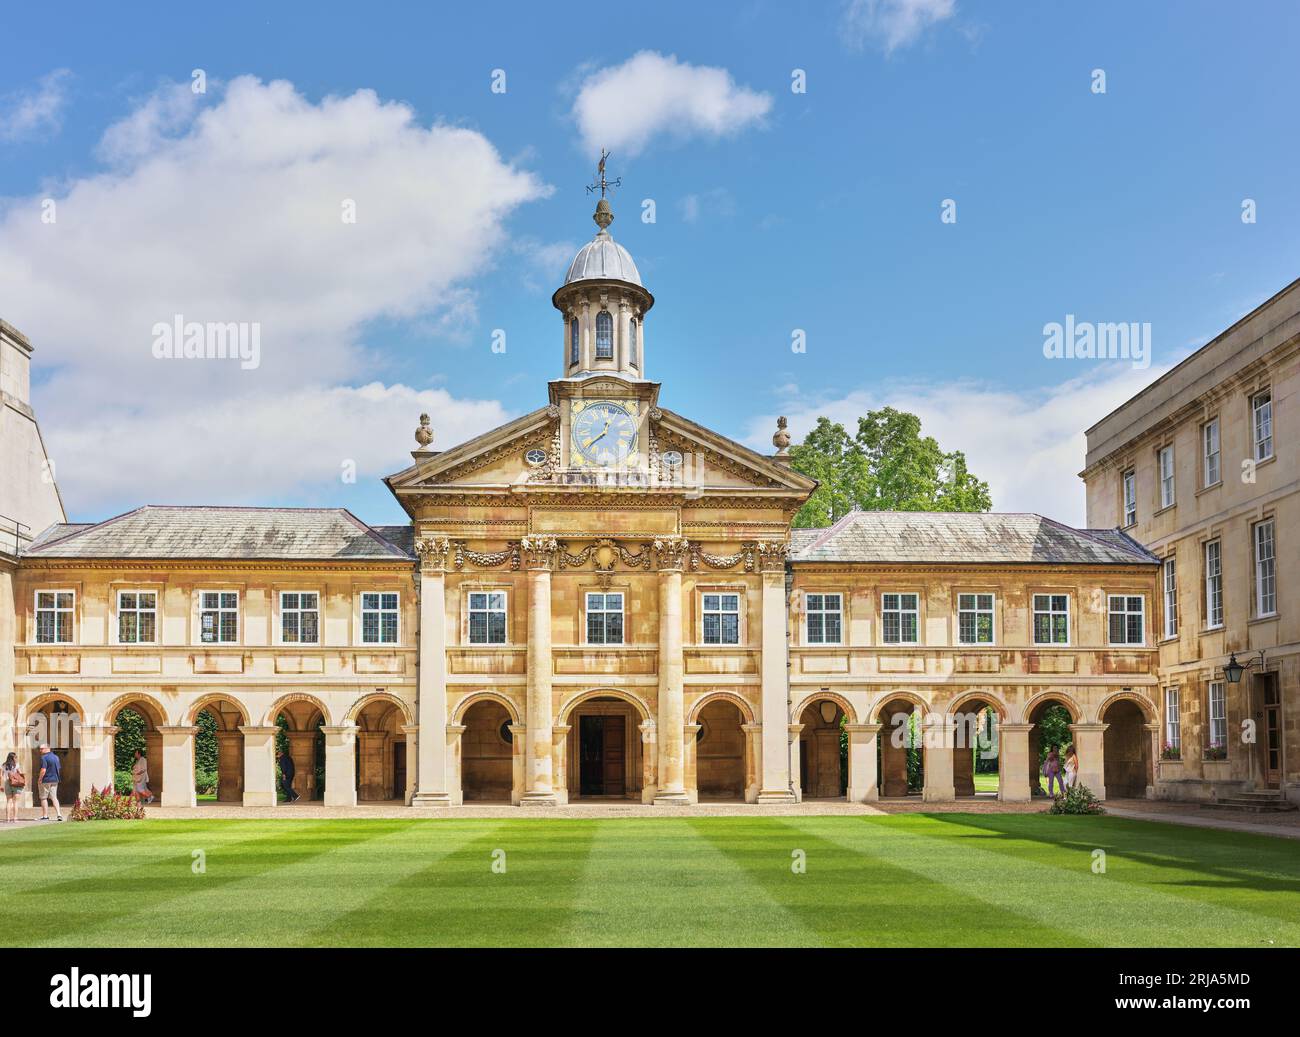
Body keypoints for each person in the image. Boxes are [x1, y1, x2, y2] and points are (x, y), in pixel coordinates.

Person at [37, 743, 64, 821]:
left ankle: (45, 816)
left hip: (45, 780)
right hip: (55, 779)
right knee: (54, 797)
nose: (40, 750)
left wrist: (40, 779)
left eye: (42, 749)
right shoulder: (56, 757)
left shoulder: (44, 758)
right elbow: (58, 768)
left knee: (43, 797)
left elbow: (43, 770)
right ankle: (59, 814)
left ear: (47, 748)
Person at [2, 752, 24, 822]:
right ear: (13, 758)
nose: (16, 758)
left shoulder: (3, 765)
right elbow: (20, 773)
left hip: (7, 783)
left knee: (9, 801)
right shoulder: (16, 765)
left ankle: (8, 818)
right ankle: (15, 818)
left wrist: (1, 785)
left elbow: (1, 776)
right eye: (15, 757)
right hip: (15, 783)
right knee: (16, 802)